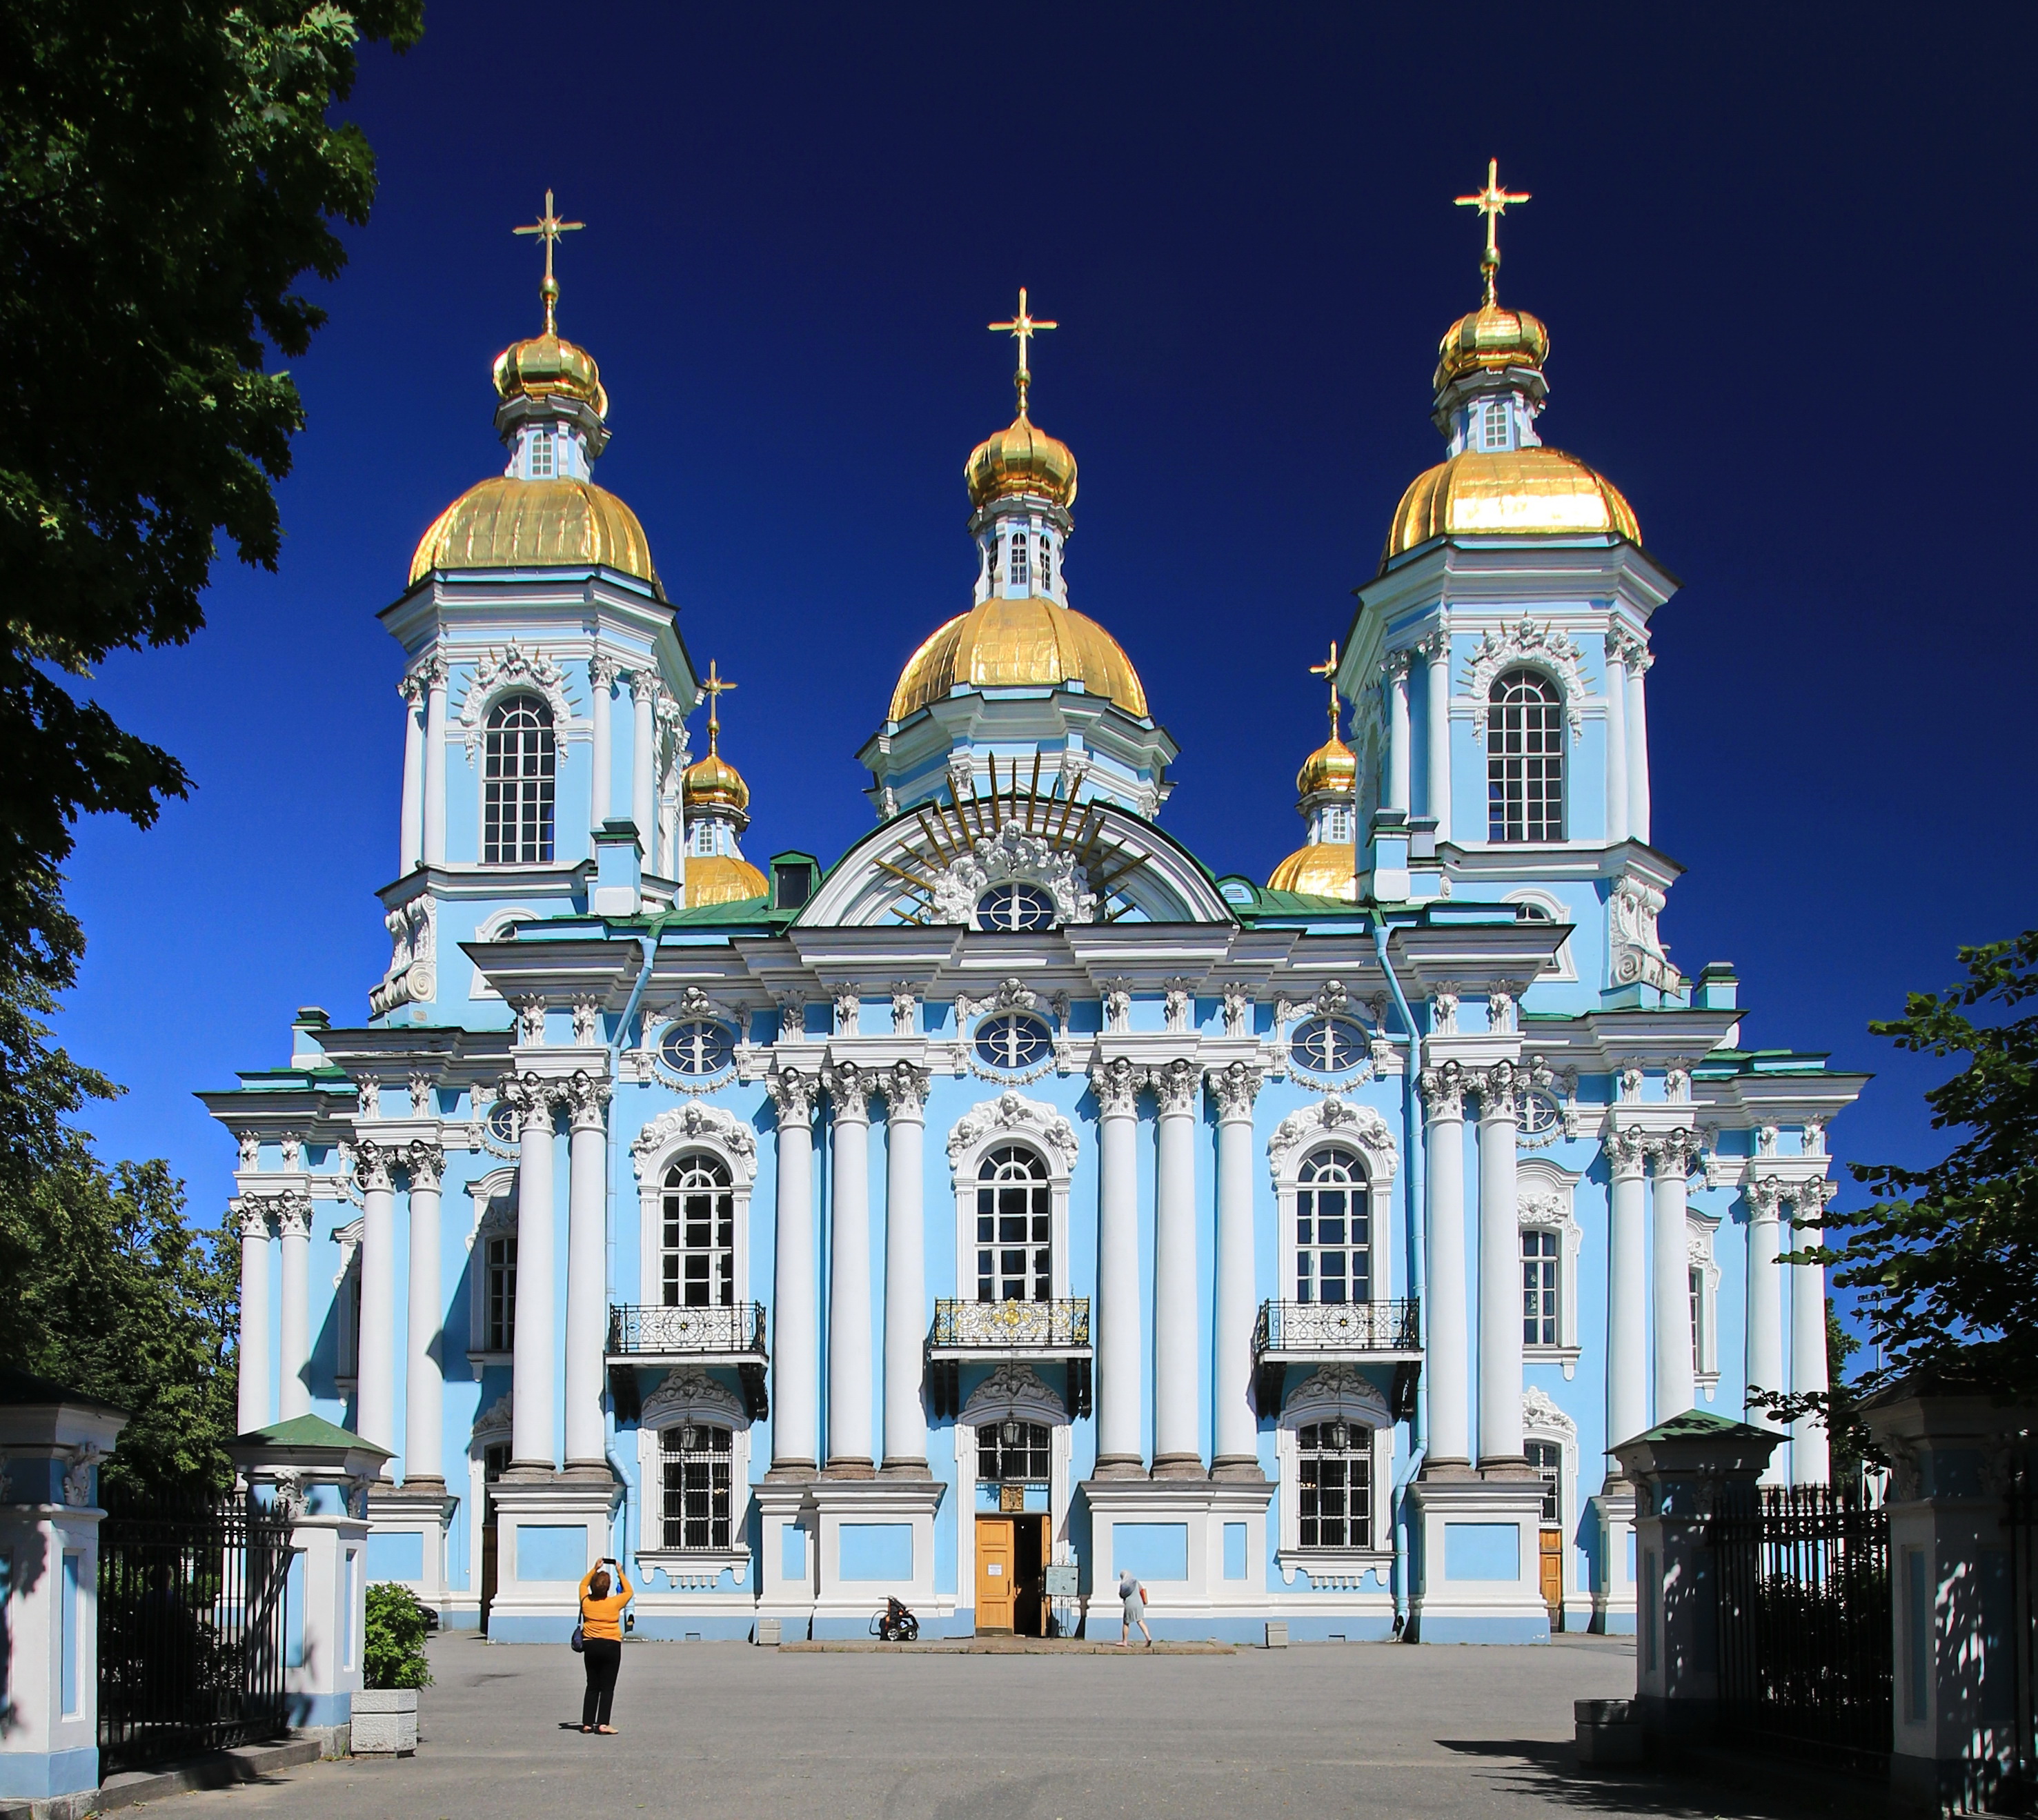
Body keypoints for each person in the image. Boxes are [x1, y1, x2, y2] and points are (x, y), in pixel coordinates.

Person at [577, 1557, 634, 1733]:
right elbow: (629, 1591)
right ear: (607, 1588)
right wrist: (620, 1572)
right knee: (607, 1687)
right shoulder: (614, 1603)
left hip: (591, 1645)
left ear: (593, 1587)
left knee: (592, 1685)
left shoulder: (586, 1602)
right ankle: (603, 1724)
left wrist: (595, 1569)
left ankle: (587, 1723)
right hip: (611, 1646)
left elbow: (582, 1585)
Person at [1117, 1569, 1153, 1648]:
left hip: (1130, 1604)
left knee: (1126, 1623)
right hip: (1139, 1604)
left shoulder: (1124, 1585)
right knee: (1140, 1621)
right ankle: (1148, 1637)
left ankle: (1125, 1641)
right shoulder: (1136, 1582)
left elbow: (1122, 1595)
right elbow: (1142, 1590)